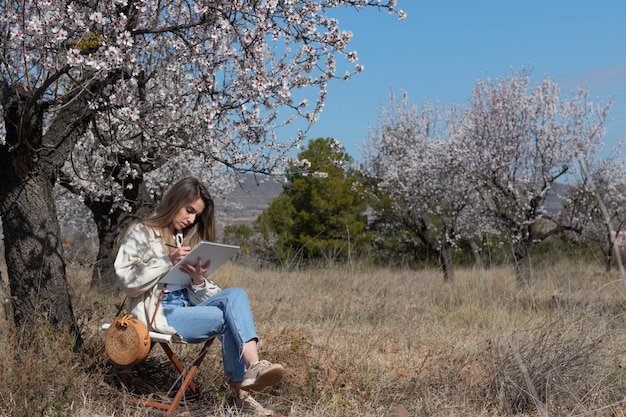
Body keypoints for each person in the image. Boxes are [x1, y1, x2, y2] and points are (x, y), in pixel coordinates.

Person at [114, 176, 284, 416]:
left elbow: (197, 296)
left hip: (186, 309)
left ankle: (254, 367)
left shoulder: (183, 238)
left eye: (196, 215)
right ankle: (243, 398)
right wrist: (166, 261)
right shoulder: (141, 233)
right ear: (175, 201)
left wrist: (198, 281)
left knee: (236, 294)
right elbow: (128, 281)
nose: (191, 220)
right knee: (228, 319)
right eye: (189, 210)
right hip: (159, 313)